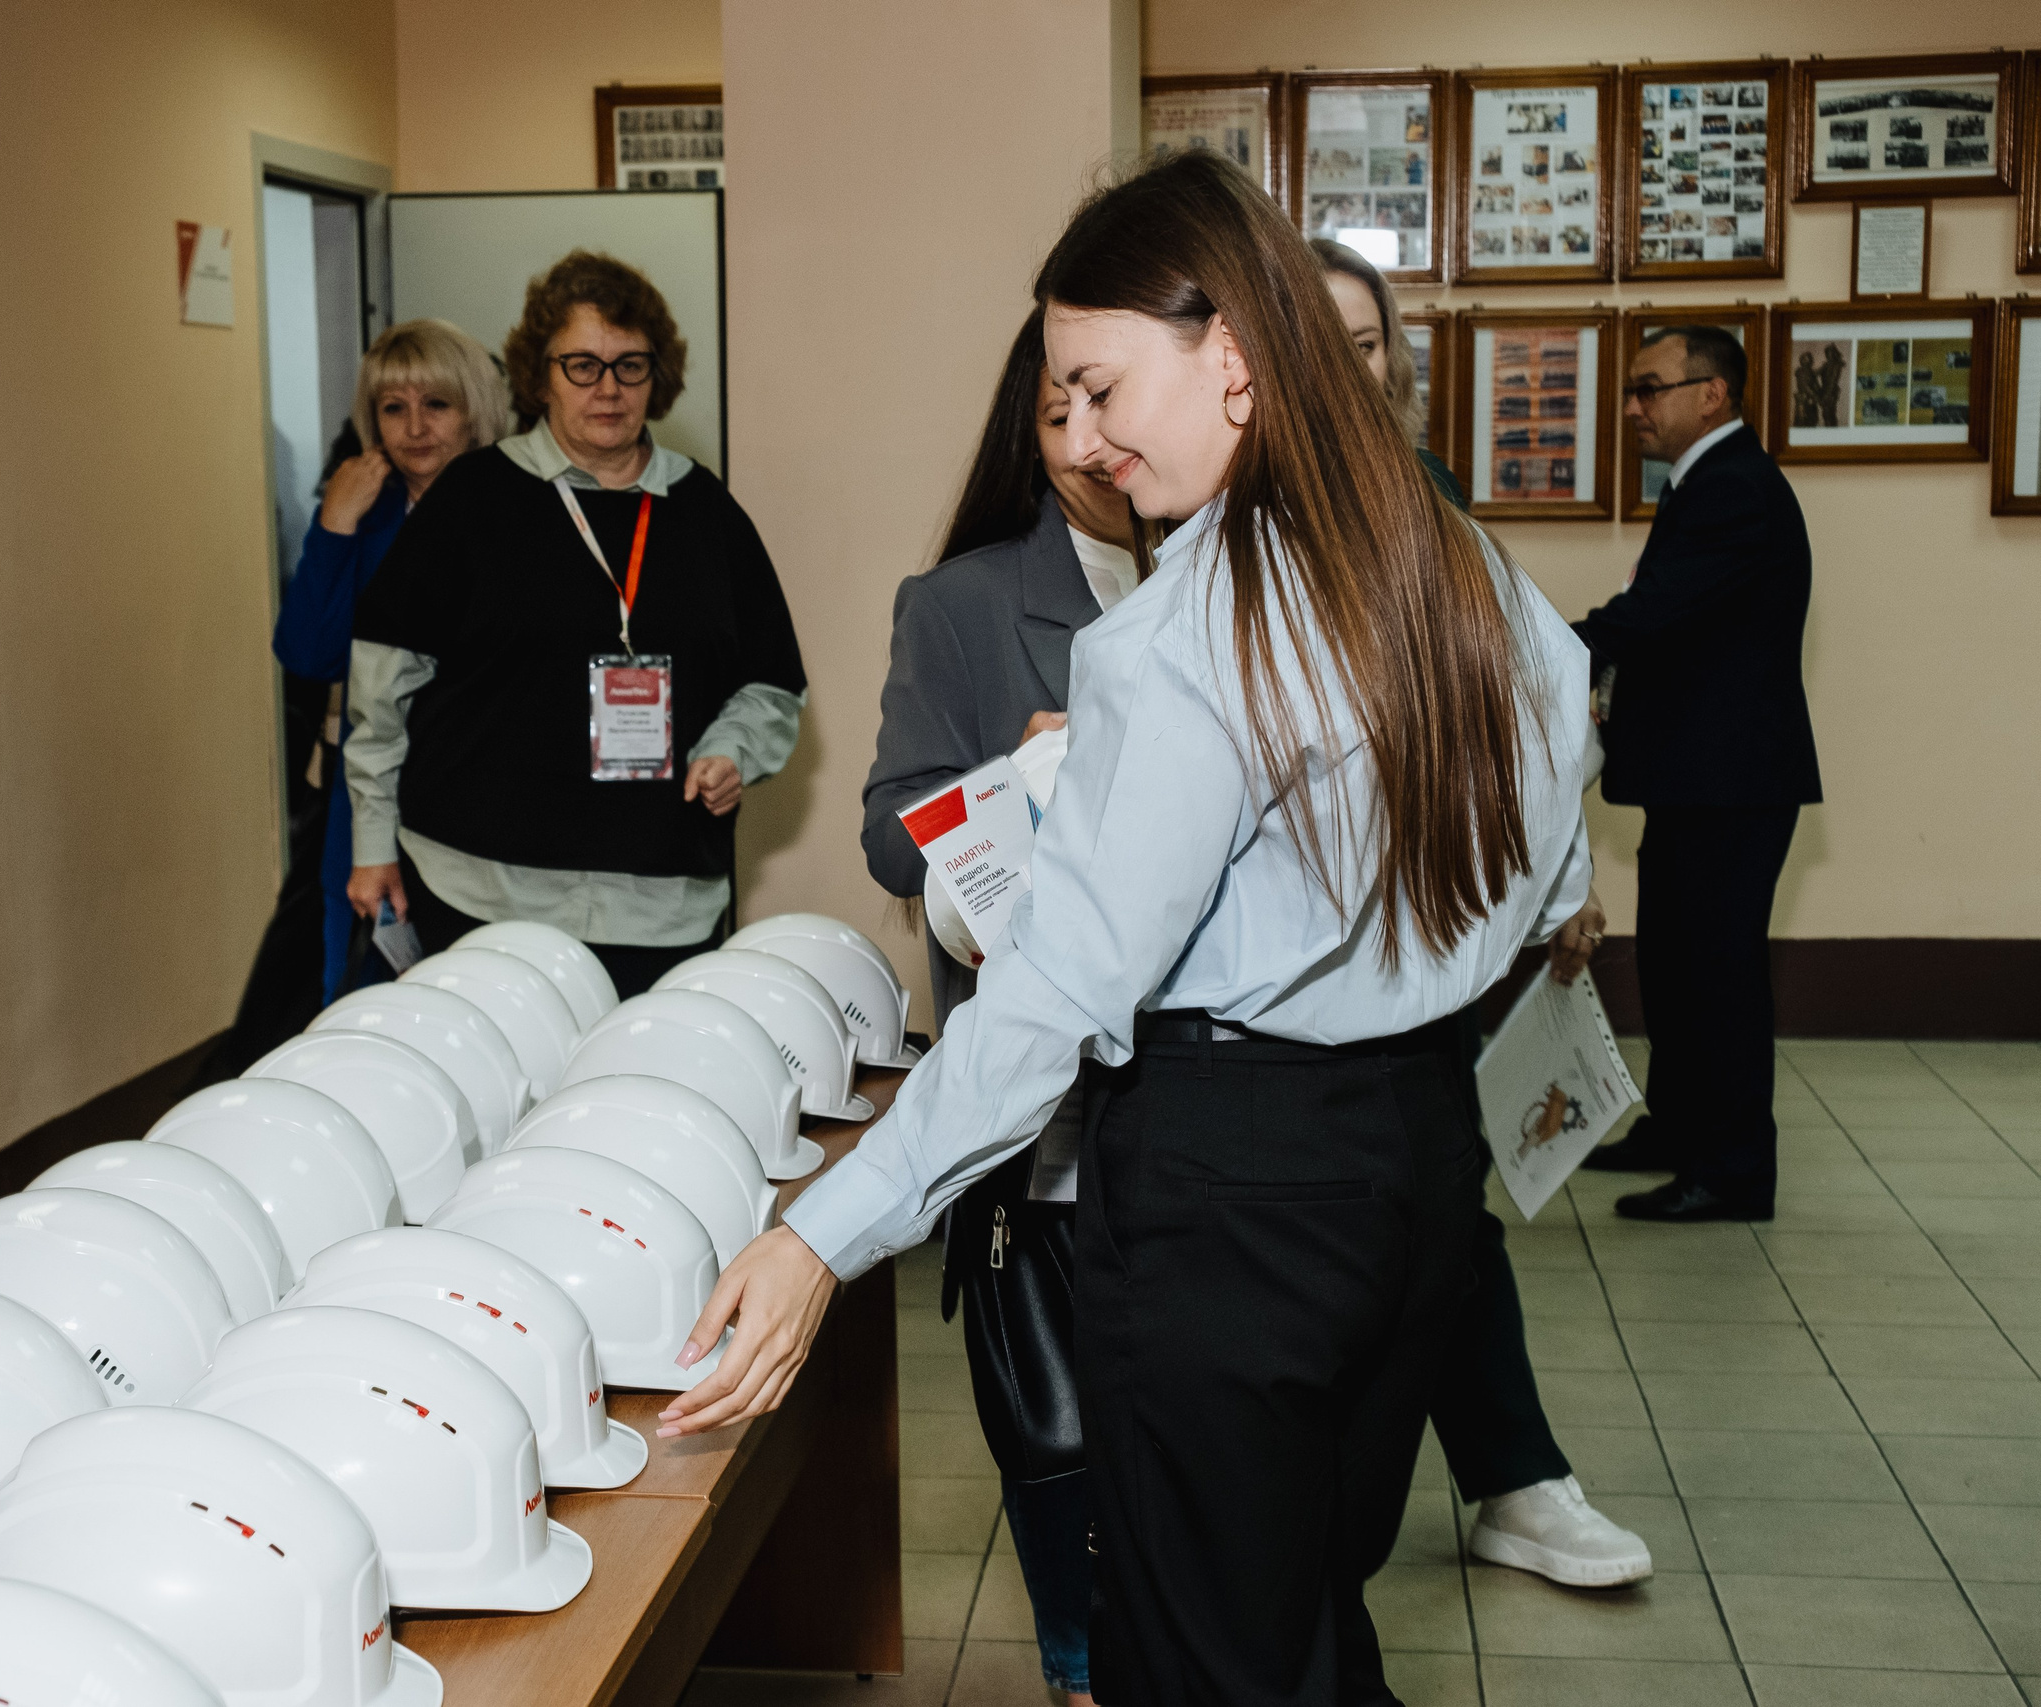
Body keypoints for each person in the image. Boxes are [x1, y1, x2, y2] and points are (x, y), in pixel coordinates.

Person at [662, 152, 1598, 1706]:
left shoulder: (1184, 631)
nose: (1081, 443)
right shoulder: (1453, 562)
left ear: (1231, 358)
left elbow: (1049, 1006)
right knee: (1303, 1611)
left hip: (1231, 1189)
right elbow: (1556, 860)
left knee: (1201, 1654)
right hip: (1420, 1164)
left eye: (1099, 388)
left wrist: (818, 1237)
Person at [1313, 237, 1649, 1586]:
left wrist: (1560, 874)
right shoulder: (1204, 505)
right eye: (1314, 337)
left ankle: (1513, 1474)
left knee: (1440, 1204)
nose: (1347, 365)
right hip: (1264, 982)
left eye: (1368, 340)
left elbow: (1520, 696)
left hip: (1419, 934)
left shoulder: (1421, 494)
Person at [858, 306, 1145, 1707]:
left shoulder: (1243, 579)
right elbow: (888, 838)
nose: (1095, 444)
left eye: (1110, 401)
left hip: (1222, 1108)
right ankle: (1080, 1666)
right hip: (1052, 1117)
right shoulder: (967, 601)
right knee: (1064, 1429)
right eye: (1059, 413)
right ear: (1028, 437)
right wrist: (1009, 788)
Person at [346, 251, 806, 998]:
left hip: (660, 908)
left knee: (640, 1103)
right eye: (582, 365)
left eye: (630, 366)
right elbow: (380, 691)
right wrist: (372, 846)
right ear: (540, 373)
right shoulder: (472, 500)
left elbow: (773, 683)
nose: (608, 388)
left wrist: (731, 751)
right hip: (481, 892)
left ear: (658, 376)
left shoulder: (705, 513)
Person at [197, 320, 508, 1081]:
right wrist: (334, 524)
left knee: (479, 980)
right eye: (393, 408)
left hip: (479, 779)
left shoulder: (514, 510)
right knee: (362, 970)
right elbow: (307, 652)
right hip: (367, 782)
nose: (415, 427)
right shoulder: (363, 513)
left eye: (436, 403)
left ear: (473, 409)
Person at [1575, 325, 1820, 1221]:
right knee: (1678, 968)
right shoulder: (1708, 483)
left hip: (1733, 784)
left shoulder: (1732, 491)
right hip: (1701, 779)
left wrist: (1536, 648)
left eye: (1651, 388)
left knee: (1717, 976)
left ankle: (1733, 1170)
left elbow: (1651, 615)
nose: (1635, 407)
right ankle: (1677, 1130)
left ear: (1712, 393)